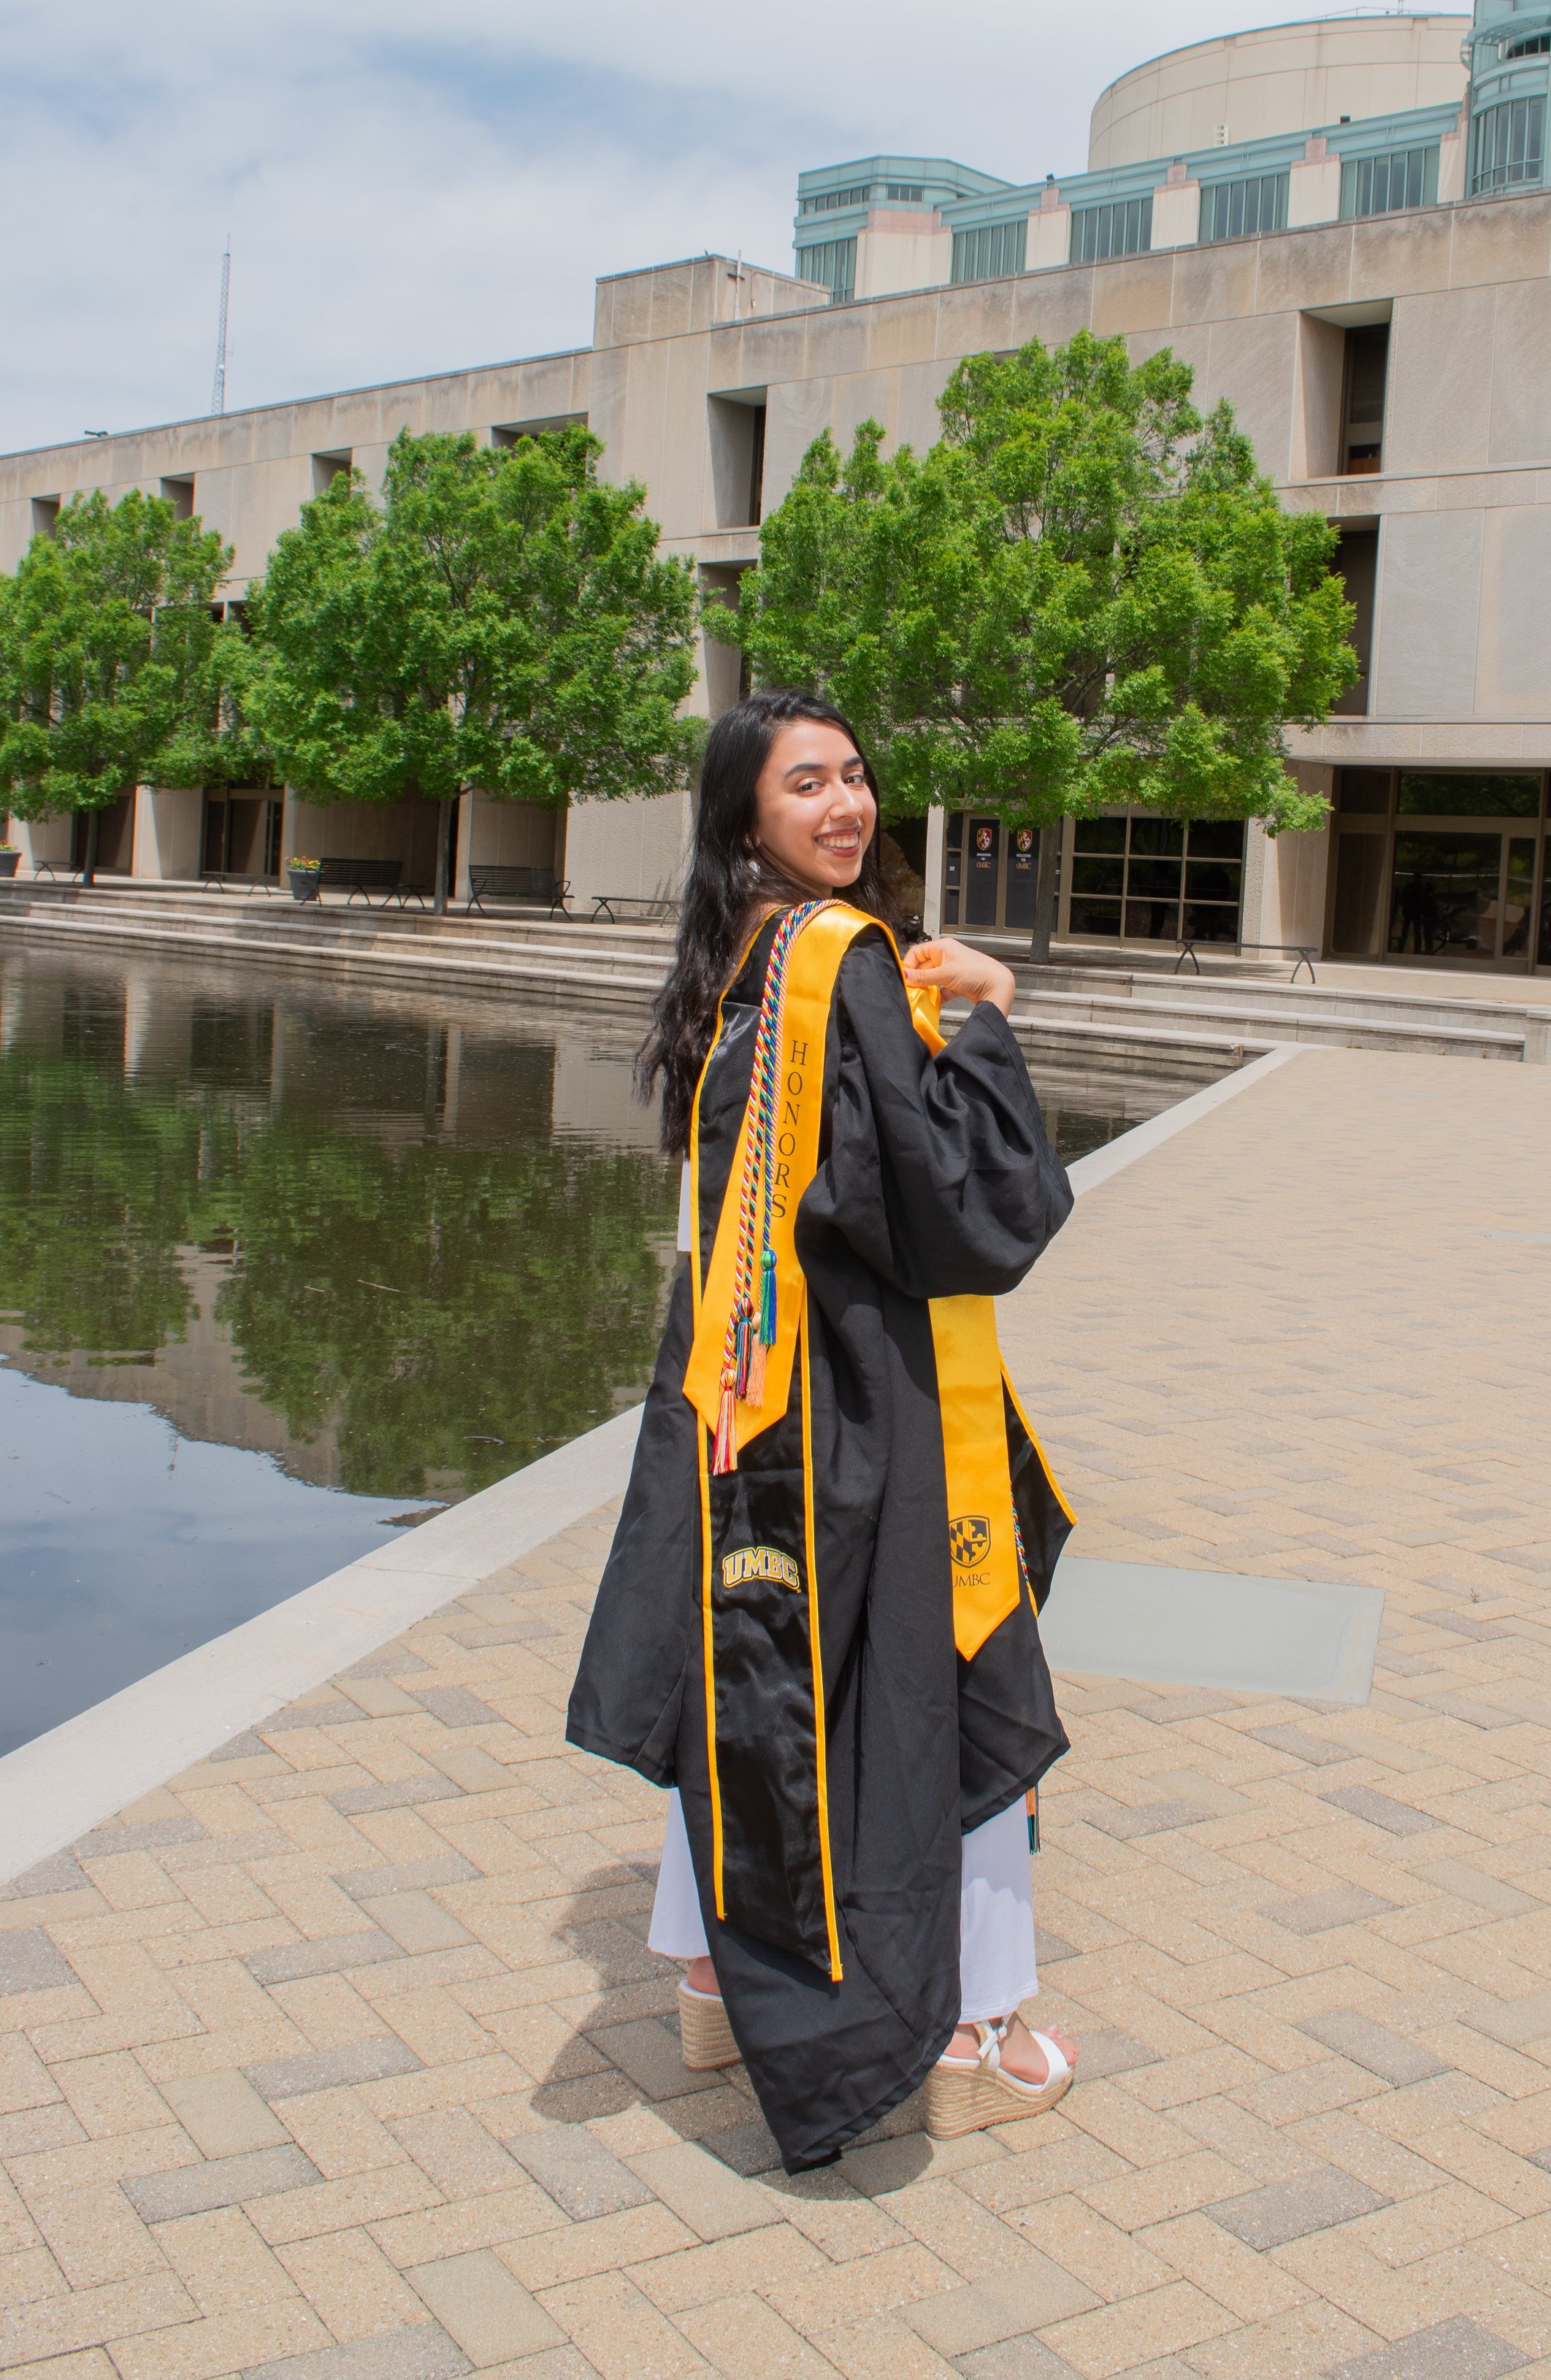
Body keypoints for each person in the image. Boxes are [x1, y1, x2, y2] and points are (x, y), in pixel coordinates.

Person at [567, 690, 1079, 2172]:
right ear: (747, 818)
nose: (846, 805)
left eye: (856, 776)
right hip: (862, 1395)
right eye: (807, 786)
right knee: (953, 1679)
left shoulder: (739, 959)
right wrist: (987, 1018)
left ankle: (713, 1978)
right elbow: (958, 1211)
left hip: (741, 1395)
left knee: (756, 1673)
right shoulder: (840, 956)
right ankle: (976, 2035)